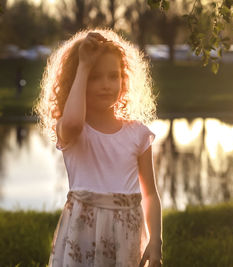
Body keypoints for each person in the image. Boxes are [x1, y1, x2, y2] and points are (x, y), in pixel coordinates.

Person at [35, 28, 162, 267]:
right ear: (76, 81)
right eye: (95, 77)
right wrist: (83, 64)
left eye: (113, 76)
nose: (106, 85)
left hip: (128, 233)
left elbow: (150, 194)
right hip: (83, 230)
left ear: (123, 80)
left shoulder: (138, 134)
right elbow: (72, 122)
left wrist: (156, 241)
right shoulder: (73, 128)